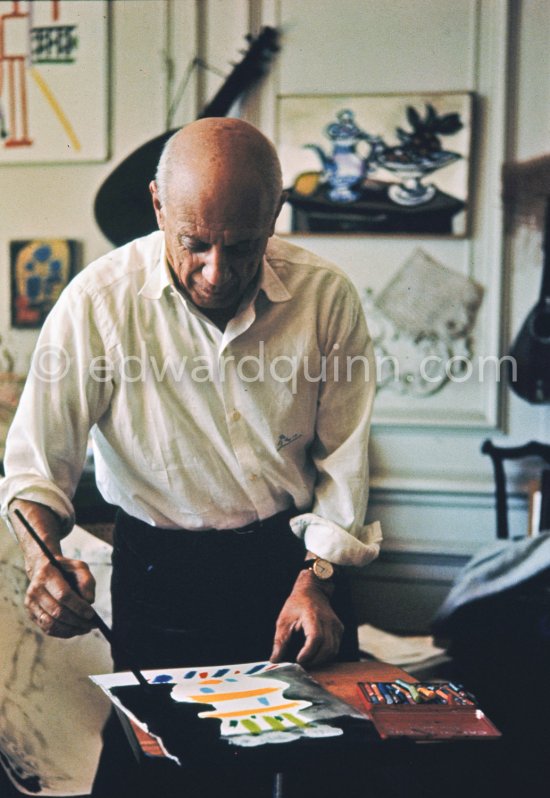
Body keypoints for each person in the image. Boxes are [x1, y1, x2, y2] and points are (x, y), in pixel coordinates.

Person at [0, 118, 381, 797]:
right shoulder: (97, 303)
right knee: (162, 780)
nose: (215, 272)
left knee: (325, 777)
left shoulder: (326, 298)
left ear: (276, 214)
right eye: (194, 243)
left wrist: (317, 577)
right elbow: (34, 468)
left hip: (294, 572)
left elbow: (345, 462)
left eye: (241, 247)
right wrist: (41, 560)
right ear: (156, 207)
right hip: (164, 580)